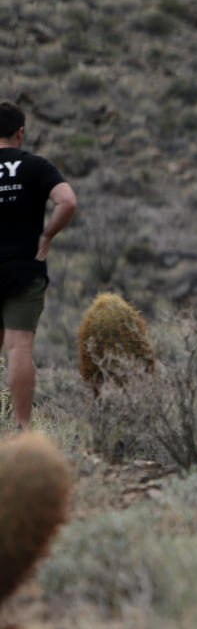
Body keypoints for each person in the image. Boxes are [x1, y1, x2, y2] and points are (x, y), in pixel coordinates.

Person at [0, 102, 78, 431]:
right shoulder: (35, 166)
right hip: (24, 269)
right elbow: (68, 201)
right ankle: (21, 427)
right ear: (20, 132)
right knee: (18, 346)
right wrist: (46, 236)